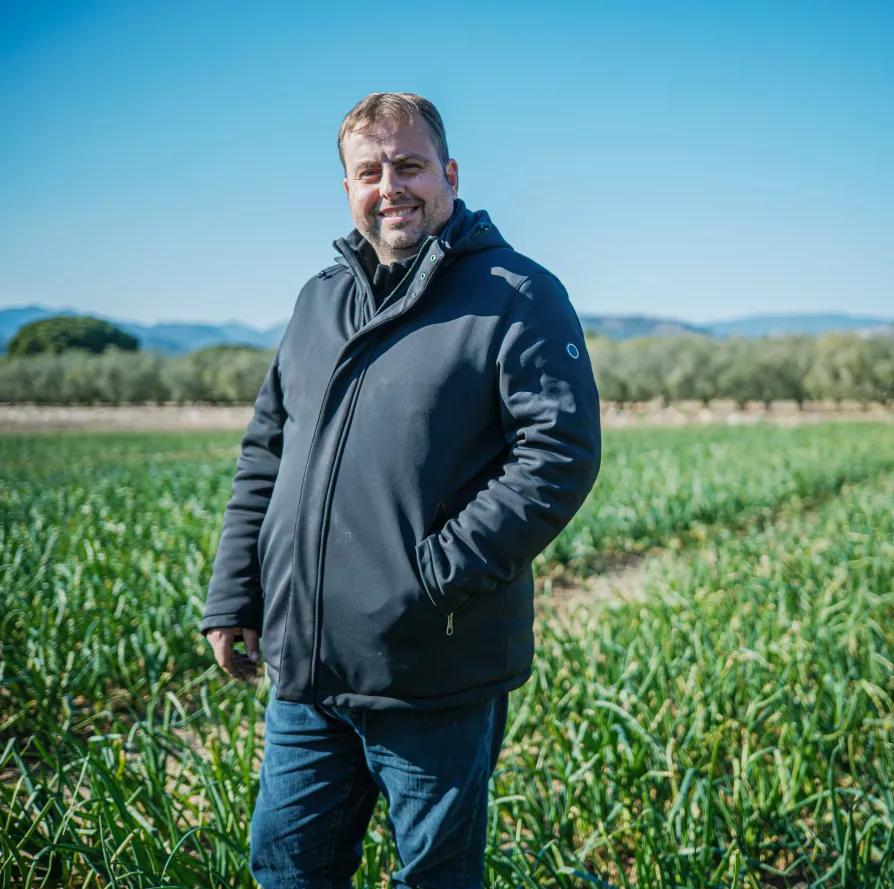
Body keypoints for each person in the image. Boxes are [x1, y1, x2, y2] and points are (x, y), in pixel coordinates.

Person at [200, 92, 603, 889]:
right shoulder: (320, 300)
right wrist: (233, 593)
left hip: (432, 671)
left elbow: (559, 453)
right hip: (306, 678)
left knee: (435, 878)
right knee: (286, 870)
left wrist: (432, 578)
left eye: (410, 165)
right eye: (370, 170)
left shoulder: (515, 293)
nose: (391, 185)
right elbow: (266, 453)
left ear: (449, 174)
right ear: (348, 187)